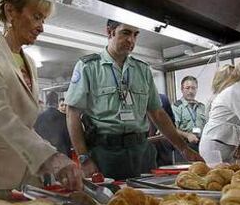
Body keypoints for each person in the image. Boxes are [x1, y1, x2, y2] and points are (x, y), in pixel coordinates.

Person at [0, 0, 82, 205]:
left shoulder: (29, 63)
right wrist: (49, 157)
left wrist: (45, 158)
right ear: (11, 11)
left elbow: (25, 123)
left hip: (25, 171)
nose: (41, 27)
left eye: (43, 19)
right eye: (36, 17)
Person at [65, 19, 203, 180]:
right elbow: (72, 114)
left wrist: (183, 148)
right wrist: (84, 158)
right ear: (110, 32)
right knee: (111, 203)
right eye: (126, 33)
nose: (131, 40)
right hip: (105, 153)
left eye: (135, 34)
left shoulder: (142, 69)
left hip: (141, 151)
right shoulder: (89, 67)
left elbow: (158, 113)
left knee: (148, 201)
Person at [199, 57, 240, 164]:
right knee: (218, 177)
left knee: (227, 175)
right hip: (216, 143)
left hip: (224, 143)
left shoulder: (233, 93)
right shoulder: (235, 92)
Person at [172, 76, 206, 152]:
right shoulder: (176, 107)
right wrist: (187, 135)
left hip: (202, 145)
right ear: (182, 89)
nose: (190, 91)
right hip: (184, 146)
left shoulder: (202, 107)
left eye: (193, 88)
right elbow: (172, 129)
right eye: (187, 88)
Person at [34, 92, 72, 157]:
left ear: (46, 102)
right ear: (57, 103)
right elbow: (68, 139)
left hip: (45, 156)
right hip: (63, 156)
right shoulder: (65, 118)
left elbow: (36, 138)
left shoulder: (38, 119)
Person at [148, 93, 176, 166]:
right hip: (146, 148)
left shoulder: (163, 99)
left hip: (163, 147)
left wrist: (164, 129)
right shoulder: (134, 100)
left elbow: (172, 122)